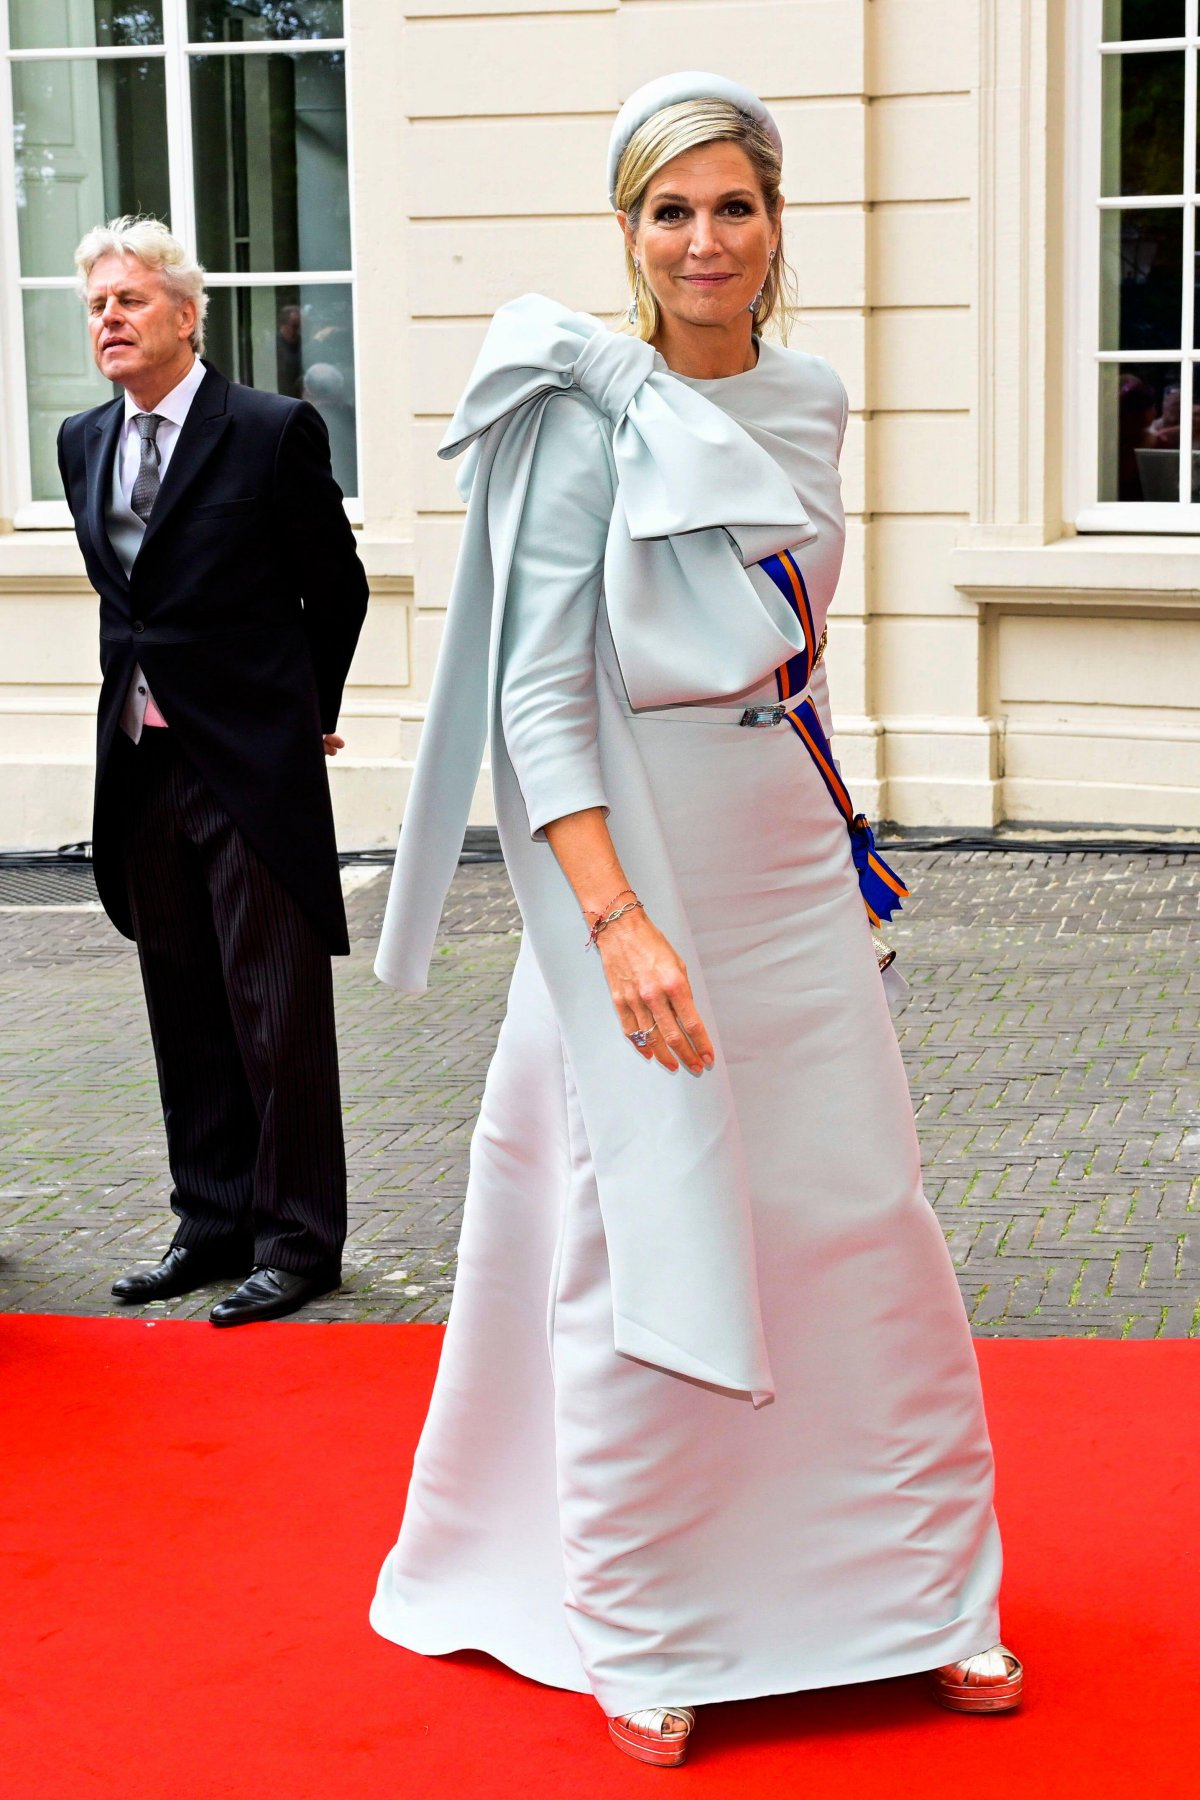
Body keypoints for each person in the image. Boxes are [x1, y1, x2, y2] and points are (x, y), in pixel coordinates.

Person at [370, 74, 1022, 1767]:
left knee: (859, 1218)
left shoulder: (814, 398)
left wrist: (838, 841)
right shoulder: (580, 420)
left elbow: (800, 664)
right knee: (642, 1227)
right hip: (638, 871)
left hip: (788, 864)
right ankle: (649, 1624)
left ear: (775, 222)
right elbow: (536, 704)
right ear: (629, 235)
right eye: (671, 211)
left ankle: (924, 1599)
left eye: (734, 206)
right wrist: (615, 923)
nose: (705, 240)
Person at [58, 216, 369, 1326]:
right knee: (183, 1003)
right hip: (139, 760)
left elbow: (335, 589)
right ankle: (211, 1221)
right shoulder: (81, 441)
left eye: (131, 301)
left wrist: (307, 712)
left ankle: (298, 1243)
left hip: (249, 762)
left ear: (187, 316)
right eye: (97, 304)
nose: (110, 319)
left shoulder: (272, 430)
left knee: (275, 1008)